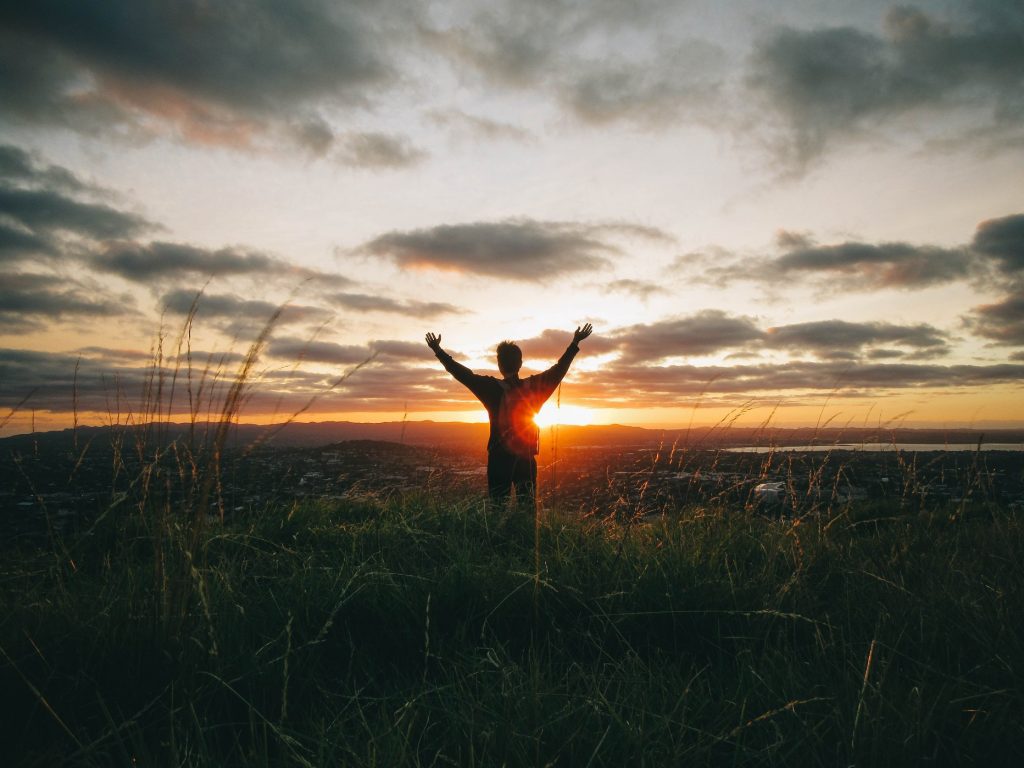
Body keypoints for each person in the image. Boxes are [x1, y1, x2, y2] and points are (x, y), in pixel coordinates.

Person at [425, 324, 593, 508]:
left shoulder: (490, 388)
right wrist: (575, 342)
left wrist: (438, 350)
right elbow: (559, 369)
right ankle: (524, 537)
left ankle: (498, 537)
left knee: (497, 508)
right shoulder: (534, 387)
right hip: (526, 458)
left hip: (498, 457)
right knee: (527, 509)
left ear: (499, 365)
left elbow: (463, 374)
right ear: (520, 364)